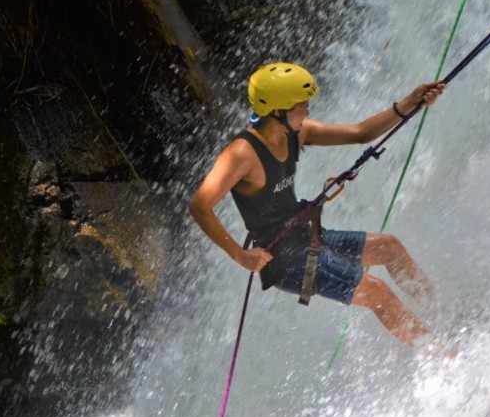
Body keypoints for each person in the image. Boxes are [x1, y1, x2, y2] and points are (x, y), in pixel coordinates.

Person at [189, 62, 446, 347]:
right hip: (285, 263)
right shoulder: (240, 154)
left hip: (307, 238)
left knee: (390, 247)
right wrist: (239, 255)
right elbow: (200, 206)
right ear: (278, 111)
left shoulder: (298, 132)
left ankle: (444, 314)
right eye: (302, 105)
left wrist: (411, 102)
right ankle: (441, 356)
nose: (308, 110)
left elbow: (361, 132)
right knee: (376, 291)